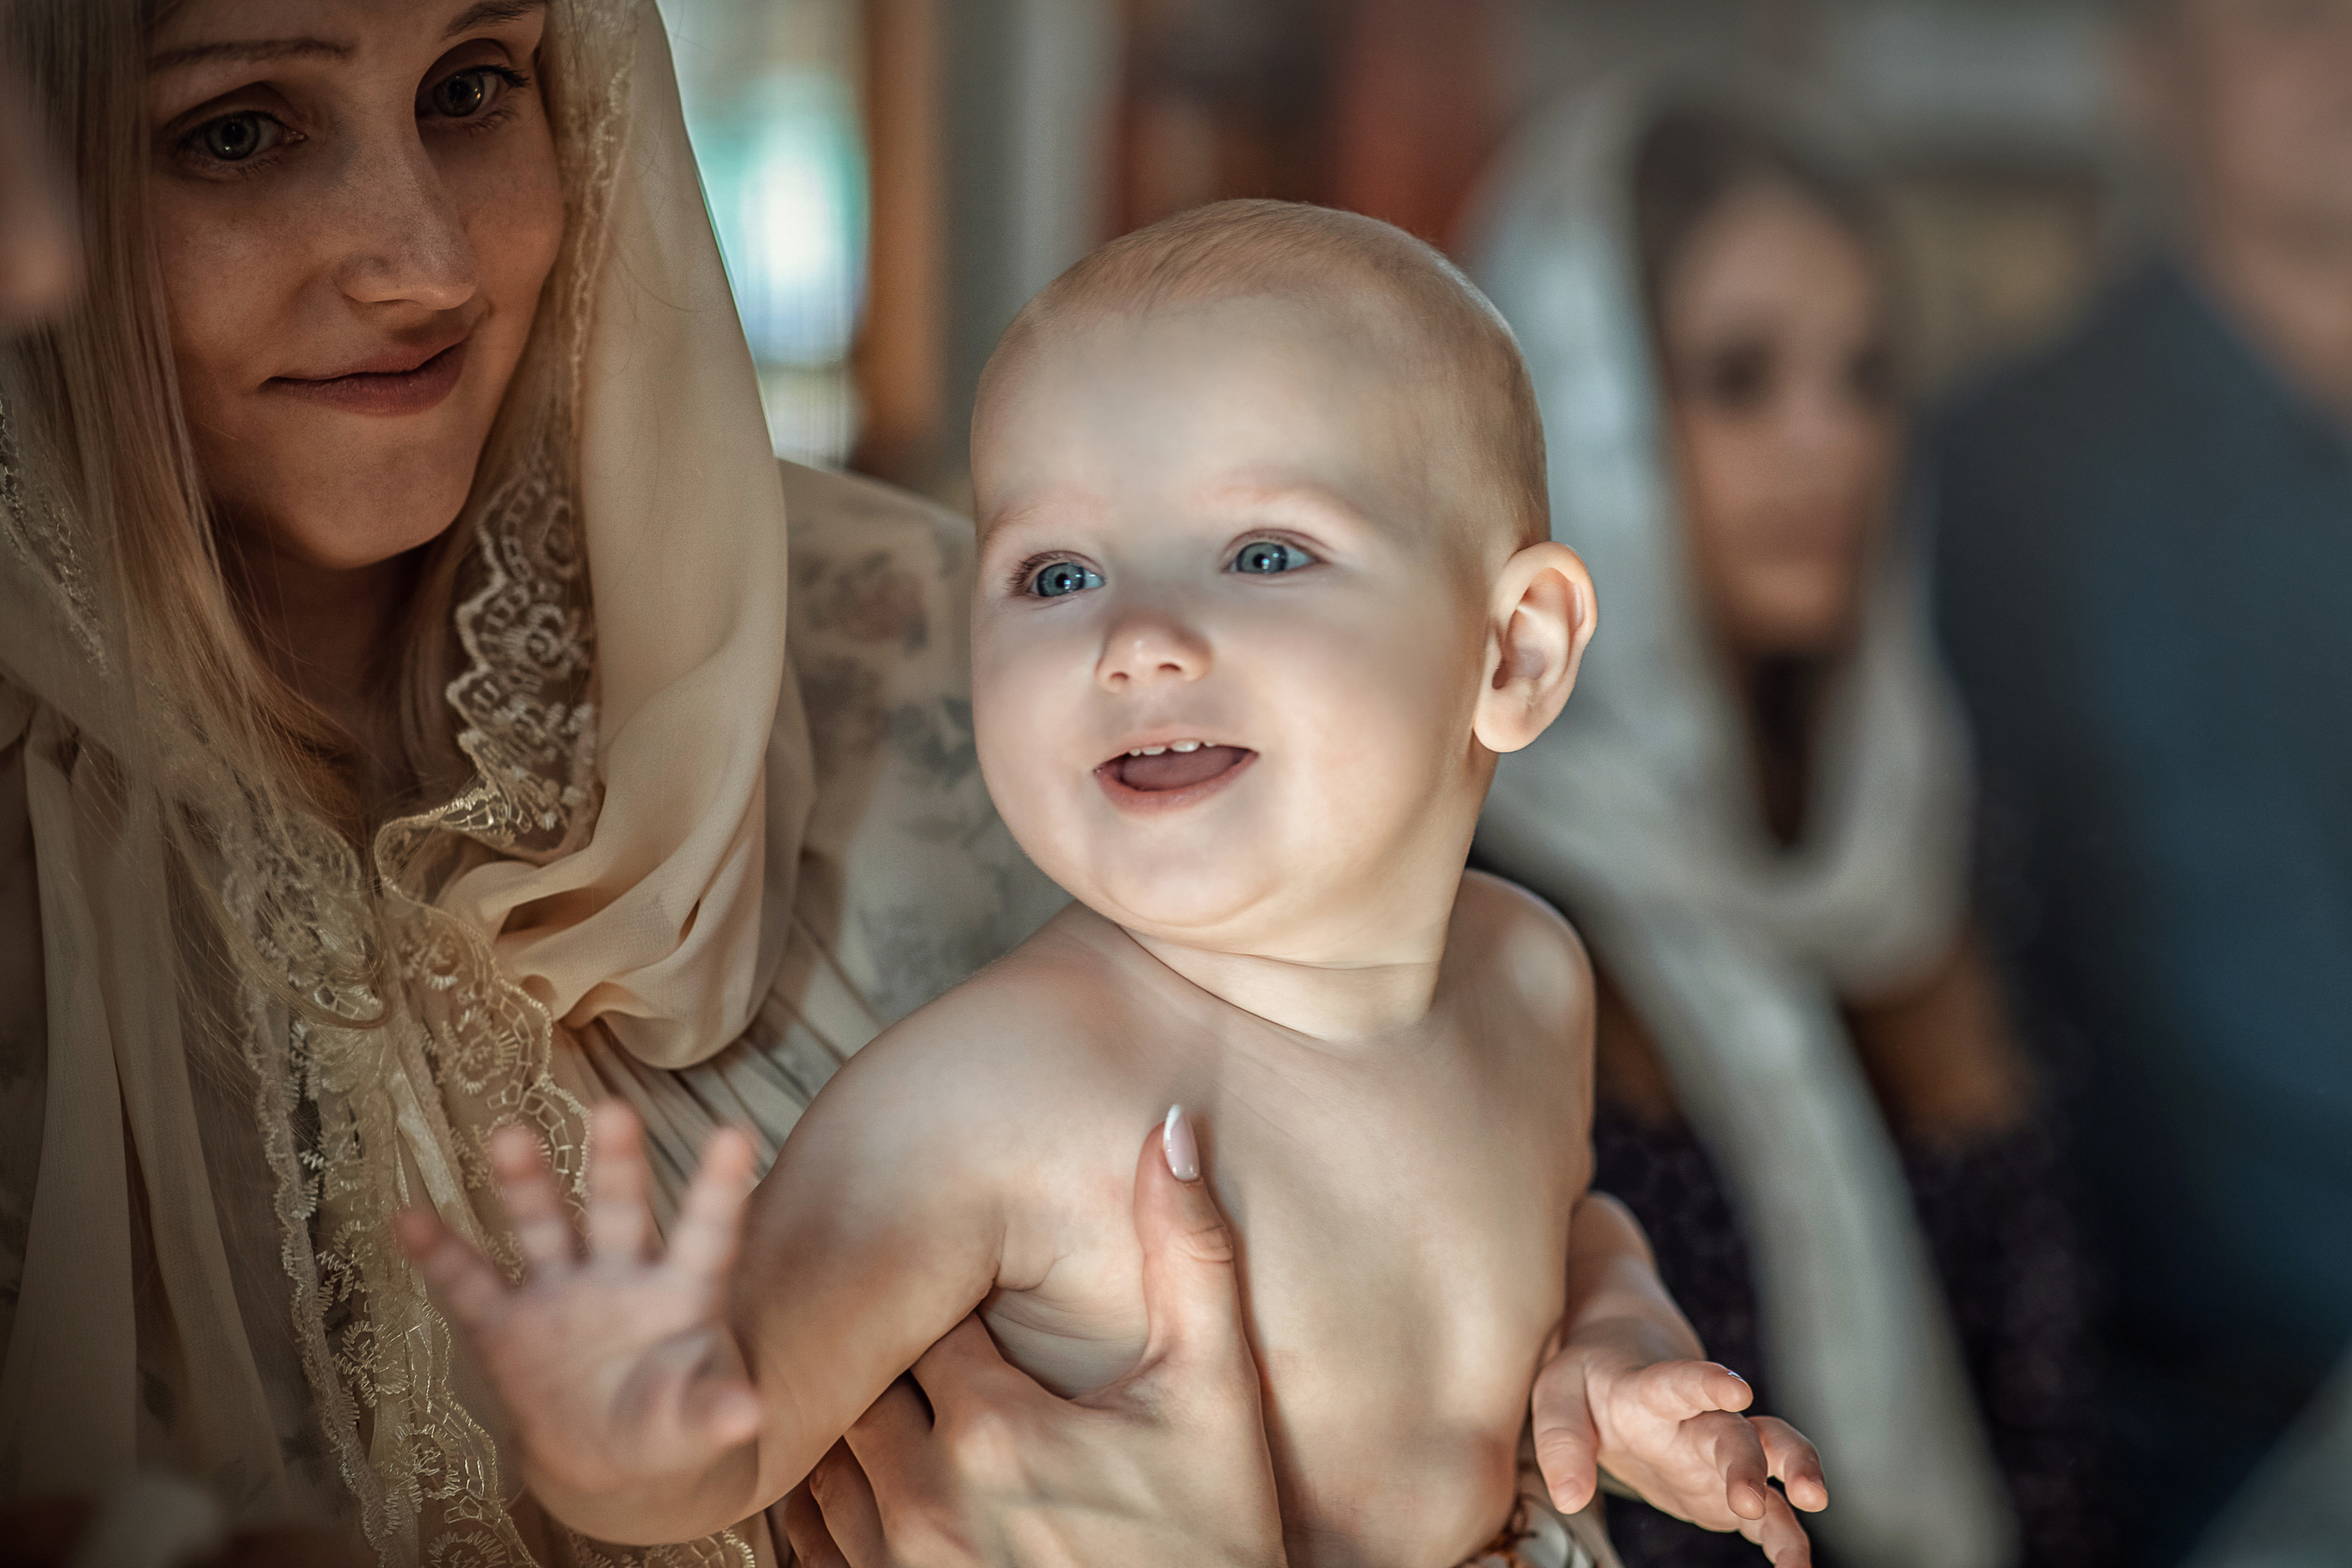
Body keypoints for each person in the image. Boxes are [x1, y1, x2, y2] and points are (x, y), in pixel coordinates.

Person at [0, 1, 1306, 1562]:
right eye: (236, 132)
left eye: (475, 87)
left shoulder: (980, 675)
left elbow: (1428, 1231)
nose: (427, 260)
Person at [403, 200, 1831, 1568]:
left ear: (1514, 650)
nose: (1139, 639)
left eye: (1264, 551)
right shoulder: (995, 1093)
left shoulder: (1530, 970)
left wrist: (1617, 1350)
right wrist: (621, 1430)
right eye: (1054, 574)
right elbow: (740, 1425)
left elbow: (1564, 1216)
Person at [1470, 86, 2114, 1568]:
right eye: (1740, 377)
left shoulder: (1927, 833)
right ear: (1584, 403)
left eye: (1868, 376)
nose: (1827, 442)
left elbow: (2051, 1395)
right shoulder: (1465, 883)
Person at [1926, 0, 2352, 1559]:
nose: (2342, 55)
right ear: (2151, 72)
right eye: (2285, 21)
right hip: (2204, 1450)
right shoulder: (2009, 479)